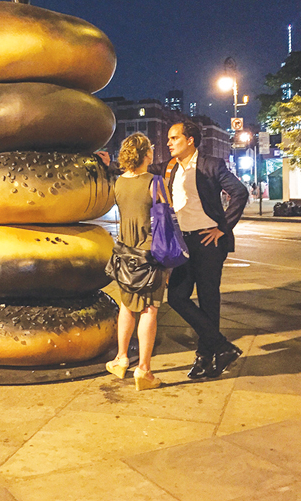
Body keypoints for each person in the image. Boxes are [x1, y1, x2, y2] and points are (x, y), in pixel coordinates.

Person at [150, 121, 248, 380]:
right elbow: (138, 170)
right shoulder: (168, 168)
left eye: (174, 138)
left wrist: (222, 228)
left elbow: (239, 192)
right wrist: (108, 163)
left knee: (208, 299)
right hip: (182, 244)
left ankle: (205, 357)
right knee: (177, 298)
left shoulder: (211, 165)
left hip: (208, 242)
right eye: (169, 138)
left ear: (190, 140)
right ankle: (222, 347)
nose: (169, 142)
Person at [106, 133, 167, 391]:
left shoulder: (119, 182)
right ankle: (144, 370)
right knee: (149, 309)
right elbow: (167, 217)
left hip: (125, 252)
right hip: (149, 252)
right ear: (147, 154)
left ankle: (121, 359)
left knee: (127, 305)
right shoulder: (155, 182)